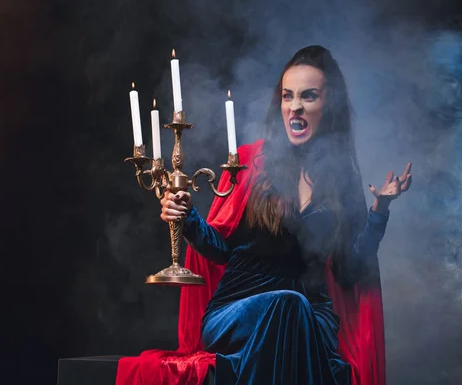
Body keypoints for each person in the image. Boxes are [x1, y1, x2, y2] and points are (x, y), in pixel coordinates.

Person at [158, 45, 413, 384]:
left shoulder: (341, 183)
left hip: (312, 317)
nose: (295, 107)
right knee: (289, 306)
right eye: (287, 96)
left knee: (296, 313)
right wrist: (187, 216)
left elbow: (350, 272)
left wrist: (379, 211)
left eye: (308, 97)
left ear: (329, 106)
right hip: (236, 312)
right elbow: (219, 248)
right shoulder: (250, 164)